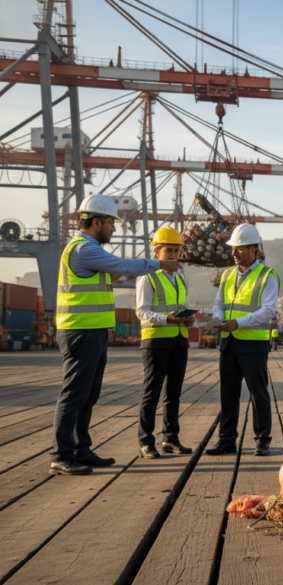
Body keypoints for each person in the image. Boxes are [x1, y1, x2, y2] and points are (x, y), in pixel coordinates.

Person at [51, 194, 180, 475]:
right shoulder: (83, 249)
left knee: (88, 395)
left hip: (93, 332)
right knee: (74, 395)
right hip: (79, 330)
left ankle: (81, 450)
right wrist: (159, 264)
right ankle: (61, 455)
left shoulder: (90, 250)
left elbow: (113, 274)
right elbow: (121, 266)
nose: (114, 228)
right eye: (111, 222)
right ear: (96, 221)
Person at [206, 224, 279, 457]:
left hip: (253, 344)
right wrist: (217, 319)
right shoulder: (227, 275)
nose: (234, 253)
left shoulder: (268, 276)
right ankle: (227, 440)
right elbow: (219, 303)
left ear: (254, 250)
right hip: (228, 341)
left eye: (239, 249)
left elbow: (268, 311)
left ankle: (262, 440)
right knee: (228, 393)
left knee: (259, 393)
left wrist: (239, 322)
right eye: (233, 249)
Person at [135, 226, 195, 459]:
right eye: (168, 250)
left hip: (179, 340)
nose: (173, 255)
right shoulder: (147, 277)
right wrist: (167, 319)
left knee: (174, 393)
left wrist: (187, 319)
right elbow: (141, 312)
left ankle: (170, 438)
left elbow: (181, 307)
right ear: (156, 251)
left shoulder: (179, 277)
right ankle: (145, 442)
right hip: (156, 342)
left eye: (176, 251)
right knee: (152, 392)